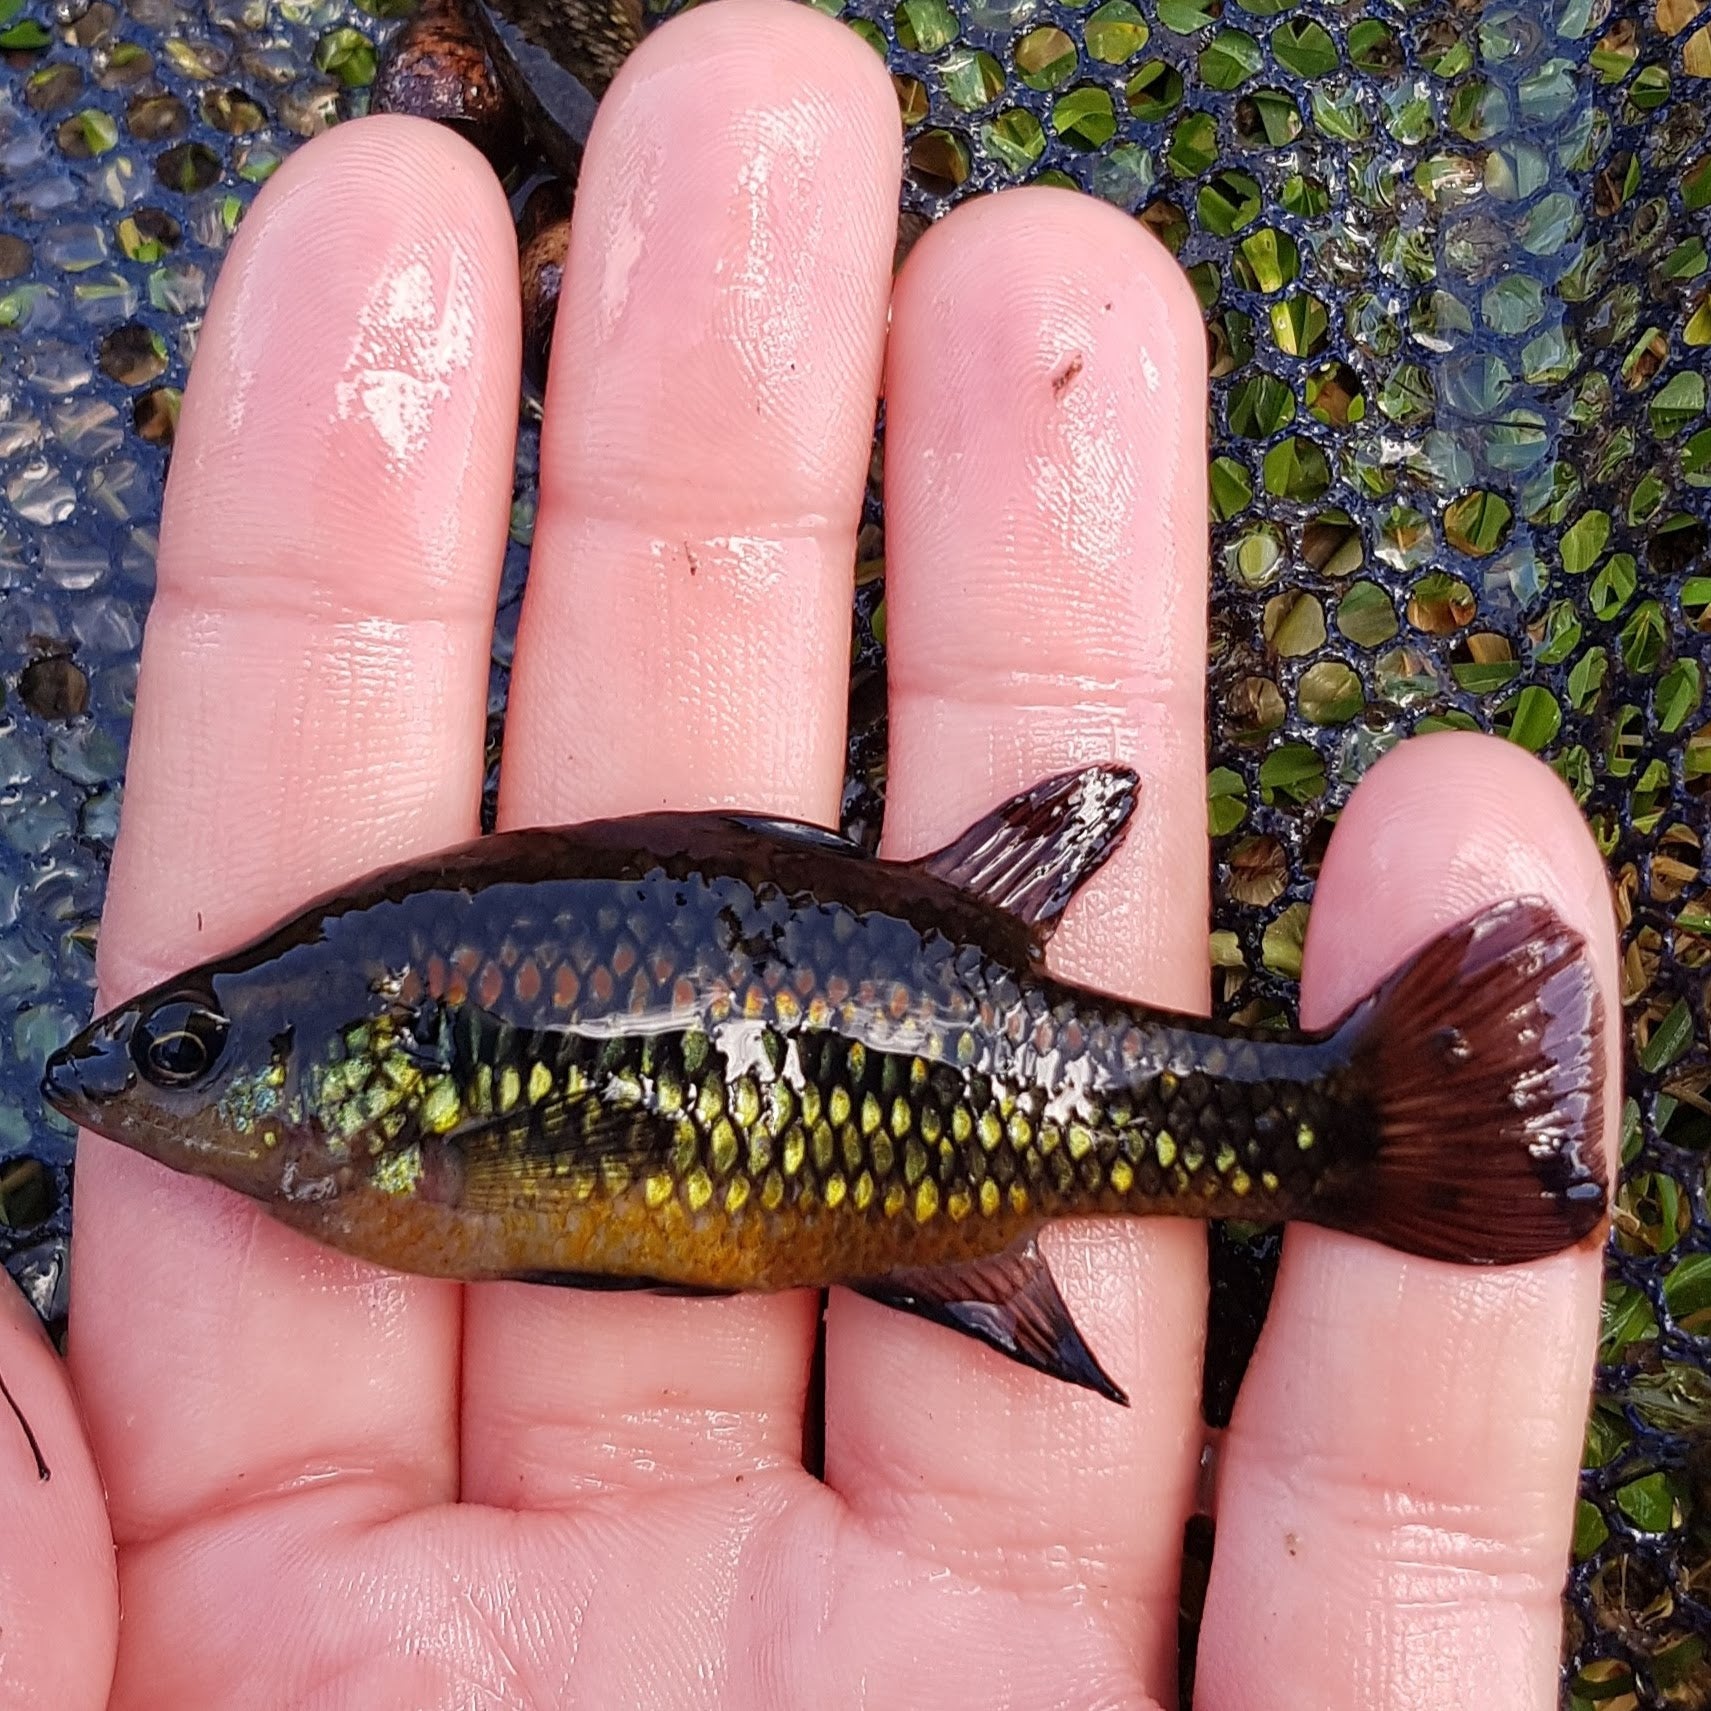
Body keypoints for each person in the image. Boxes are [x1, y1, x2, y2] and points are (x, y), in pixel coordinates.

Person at [0, 1, 1618, 1704]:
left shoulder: (396, 1113)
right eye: (175, 1044)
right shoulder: (387, 1103)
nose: (128, 1077)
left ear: (381, 1067)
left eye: (187, 1052)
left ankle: (1350, 1127)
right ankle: (1338, 1126)